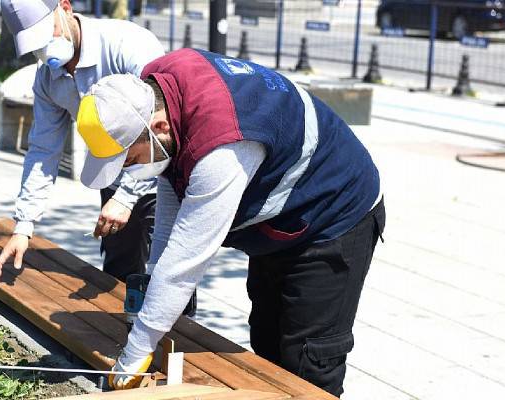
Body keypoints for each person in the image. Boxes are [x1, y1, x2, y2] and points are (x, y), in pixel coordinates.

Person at [74, 49, 386, 396]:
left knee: (308, 361)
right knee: (267, 343)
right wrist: (152, 291)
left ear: (158, 127)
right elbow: (170, 201)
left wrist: (136, 352)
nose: (131, 170)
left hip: (335, 212)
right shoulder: (158, 86)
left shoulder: (222, 145)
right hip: (282, 219)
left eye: (130, 159)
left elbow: (185, 261)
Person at [0, 0, 163, 284]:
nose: (46, 49)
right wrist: (24, 224)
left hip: (160, 172)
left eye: (49, 34)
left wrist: (127, 196)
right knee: (118, 280)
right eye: (36, 44)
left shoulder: (129, 45)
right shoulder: (48, 78)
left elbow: (162, 122)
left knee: (168, 278)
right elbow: (44, 150)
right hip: (113, 176)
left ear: (66, 7)